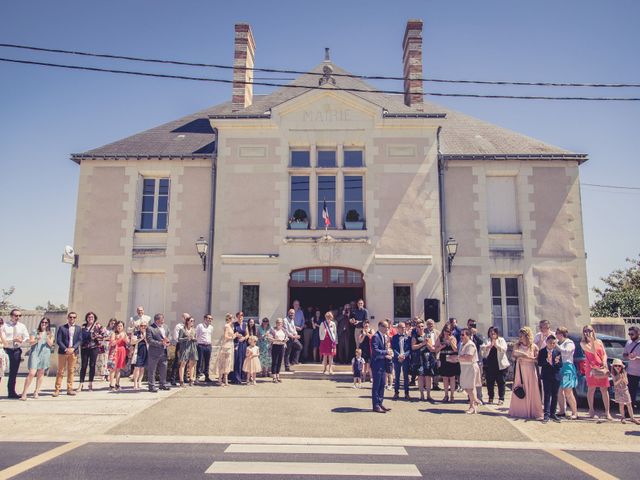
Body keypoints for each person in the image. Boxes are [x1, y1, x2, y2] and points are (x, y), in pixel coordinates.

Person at [509, 326, 543, 420]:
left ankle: (534, 411)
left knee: (532, 389)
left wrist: (526, 357)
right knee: (520, 387)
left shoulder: (533, 346)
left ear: (527, 336)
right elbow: (514, 354)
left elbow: (536, 359)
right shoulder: (517, 346)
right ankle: (520, 411)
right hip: (520, 370)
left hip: (531, 370)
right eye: (519, 336)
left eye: (522, 336)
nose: (520, 338)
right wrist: (523, 355)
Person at [581, 325, 613, 420]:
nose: (588, 332)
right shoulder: (583, 343)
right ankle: (591, 410)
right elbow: (592, 350)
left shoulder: (599, 341)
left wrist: (604, 361)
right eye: (585, 330)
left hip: (601, 367)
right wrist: (591, 340)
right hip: (591, 368)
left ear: (593, 330)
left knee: (604, 389)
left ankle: (607, 412)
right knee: (591, 389)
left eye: (589, 330)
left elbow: (604, 353)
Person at [20, 317, 54, 400]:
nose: (44, 324)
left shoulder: (50, 333)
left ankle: (36, 392)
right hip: (35, 353)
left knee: (41, 373)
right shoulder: (35, 331)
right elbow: (31, 343)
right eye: (43, 322)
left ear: (48, 324)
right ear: (40, 323)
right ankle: (24, 393)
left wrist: (46, 337)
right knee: (32, 373)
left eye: (46, 323)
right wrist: (36, 339)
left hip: (45, 354)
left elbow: (51, 344)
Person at [2, 309, 30, 399]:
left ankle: (11, 392)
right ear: (11, 316)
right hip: (6, 350)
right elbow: (3, 339)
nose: (18, 317)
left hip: (16, 350)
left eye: (19, 316)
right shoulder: (4, 326)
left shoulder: (22, 326)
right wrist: (13, 340)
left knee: (13, 372)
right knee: (1, 371)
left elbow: (27, 337)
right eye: (16, 315)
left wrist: (22, 340)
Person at [53, 311, 83, 397]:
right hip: (63, 352)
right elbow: (59, 340)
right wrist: (66, 349)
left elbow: (80, 340)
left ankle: (70, 389)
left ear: (75, 318)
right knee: (60, 371)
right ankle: (57, 389)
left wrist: (73, 348)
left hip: (73, 352)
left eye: (74, 317)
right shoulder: (62, 328)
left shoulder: (78, 328)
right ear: (68, 318)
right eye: (70, 317)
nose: (72, 319)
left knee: (71, 371)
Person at [481, 327, 510, 405]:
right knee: (490, 382)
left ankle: (501, 398)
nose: (492, 334)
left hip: (500, 365)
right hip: (490, 365)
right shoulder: (487, 341)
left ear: (497, 334)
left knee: (501, 382)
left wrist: (496, 345)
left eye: (493, 333)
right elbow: (482, 350)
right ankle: (491, 397)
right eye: (490, 333)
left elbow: (504, 349)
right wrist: (488, 347)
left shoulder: (501, 340)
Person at [538, 334, 563, 423]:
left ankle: (553, 413)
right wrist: (546, 361)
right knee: (547, 395)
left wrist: (556, 362)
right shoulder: (542, 351)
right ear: (546, 342)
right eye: (550, 343)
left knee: (555, 395)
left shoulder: (557, 352)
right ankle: (546, 414)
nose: (551, 345)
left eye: (553, 343)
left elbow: (561, 365)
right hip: (546, 376)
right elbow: (539, 363)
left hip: (556, 376)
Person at [79, 311, 106, 392]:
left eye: (92, 317)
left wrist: (98, 336)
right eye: (89, 317)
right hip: (84, 348)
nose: (90, 318)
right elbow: (79, 336)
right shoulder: (83, 326)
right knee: (83, 366)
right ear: (86, 318)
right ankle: (81, 384)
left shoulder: (98, 326)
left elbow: (105, 334)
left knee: (92, 365)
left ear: (94, 318)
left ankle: (90, 384)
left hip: (94, 348)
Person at [555, 327, 578, 419]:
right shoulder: (559, 343)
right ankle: (561, 410)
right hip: (560, 367)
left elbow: (567, 352)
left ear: (561, 334)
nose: (556, 335)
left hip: (567, 367)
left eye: (557, 333)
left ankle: (575, 412)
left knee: (568, 391)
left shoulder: (569, 342)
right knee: (559, 391)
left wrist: (556, 346)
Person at [411, 320, 437, 402]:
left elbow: (430, 347)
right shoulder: (415, 336)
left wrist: (428, 344)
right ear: (416, 328)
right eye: (419, 326)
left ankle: (428, 395)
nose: (421, 328)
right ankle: (422, 395)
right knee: (421, 376)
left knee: (428, 377)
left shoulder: (427, 335)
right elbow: (413, 347)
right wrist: (422, 344)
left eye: (422, 326)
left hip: (427, 358)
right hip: (419, 358)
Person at [146, 313, 171, 392]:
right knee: (152, 370)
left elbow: (168, 335)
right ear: (156, 320)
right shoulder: (150, 328)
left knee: (164, 368)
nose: (163, 321)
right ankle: (151, 386)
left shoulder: (166, 327)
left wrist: (168, 341)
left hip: (164, 351)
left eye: (163, 320)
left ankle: (163, 384)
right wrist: (161, 343)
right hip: (154, 352)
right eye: (161, 320)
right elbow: (150, 340)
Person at [371, 320, 393, 413]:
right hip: (377, 364)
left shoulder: (384, 336)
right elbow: (375, 350)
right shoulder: (376, 336)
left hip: (382, 363)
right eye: (385, 327)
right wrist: (386, 352)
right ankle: (375, 405)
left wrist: (387, 354)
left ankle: (380, 403)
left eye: (387, 327)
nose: (387, 329)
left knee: (382, 384)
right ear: (380, 326)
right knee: (376, 385)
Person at [459, 328, 482, 414]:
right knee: (465, 387)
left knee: (471, 387)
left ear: (468, 336)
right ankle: (476, 400)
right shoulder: (462, 344)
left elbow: (468, 357)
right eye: (460, 335)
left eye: (463, 335)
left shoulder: (470, 345)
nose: (461, 336)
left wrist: (457, 358)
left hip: (471, 367)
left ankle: (472, 406)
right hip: (465, 367)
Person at [611, 358, 640, 424]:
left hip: (625, 390)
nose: (617, 367)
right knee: (621, 405)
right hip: (618, 390)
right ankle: (623, 417)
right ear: (613, 367)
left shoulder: (624, 372)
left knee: (629, 404)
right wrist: (620, 379)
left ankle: (632, 418)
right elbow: (615, 384)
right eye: (616, 366)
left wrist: (623, 378)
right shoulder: (613, 374)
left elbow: (626, 382)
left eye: (619, 366)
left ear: (621, 367)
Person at [436, 324, 460, 402]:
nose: (447, 333)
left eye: (449, 331)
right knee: (445, 378)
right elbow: (436, 349)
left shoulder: (453, 338)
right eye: (446, 331)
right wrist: (441, 346)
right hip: (443, 357)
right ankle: (446, 395)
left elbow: (456, 350)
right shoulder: (440, 338)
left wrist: (450, 341)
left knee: (452, 378)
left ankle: (452, 396)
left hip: (451, 358)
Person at [214, 313, 235, 386]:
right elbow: (226, 336)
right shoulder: (227, 326)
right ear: (229, 319)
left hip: (229, 345)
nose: (233, 319)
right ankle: (220, 380)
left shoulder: (231, 326)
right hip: (226, 346)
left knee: (227, 363)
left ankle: (225, 380)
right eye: (232, 318)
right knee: (223, 363)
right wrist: (233, 337)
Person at [108, 320, 129, 391]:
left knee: (119, 369)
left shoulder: (124, 333)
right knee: (112, 369)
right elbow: (112, 343)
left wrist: (126, 339)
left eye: (121, 326)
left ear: (123, 327)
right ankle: (111, 385)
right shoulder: (113, 333)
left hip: (122, 351)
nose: (119, 327)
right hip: (114, 351)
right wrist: (119, 338)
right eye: (118, 326)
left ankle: (117, 384)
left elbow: (128, 343)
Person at [392, 322, 411, 400]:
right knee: (397, 376)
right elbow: (393, 348)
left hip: (405, 359)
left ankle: (407, 393)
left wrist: (404, 355)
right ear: (398, 328)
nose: (403, 329)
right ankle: (396, 392)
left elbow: (410, 349)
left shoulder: (408, 338)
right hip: (397, 359)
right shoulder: (394, 337)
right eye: (401, 327)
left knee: (406, 376)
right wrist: (398, 355)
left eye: (404, 327)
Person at [467, 319, 484, 404]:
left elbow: (481, 342)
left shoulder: (478, 335)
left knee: (478, 380)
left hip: (477, 360)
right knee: (469, 379)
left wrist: (475, 334)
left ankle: (479, 397)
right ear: (467, 325)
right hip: (468, 361)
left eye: (474, 325)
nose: (472, 327)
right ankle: (470, 397)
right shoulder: (465, 335)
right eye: (470, 325)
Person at [623, 326, 640, 411]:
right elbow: (624, 354)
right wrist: (628, 356)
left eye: (632, 334)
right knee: (631, 393)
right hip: (631, 372)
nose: (630, 336)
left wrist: (636, 358)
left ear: (638, 333)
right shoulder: (628, 343)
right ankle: (630, 411)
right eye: (629, 334)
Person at [178, 316, 198, 387]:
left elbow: (196, 339)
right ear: (187, 321)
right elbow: (179, 339)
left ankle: (191, 380)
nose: (192, 322)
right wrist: (186, 338)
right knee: (183, 364)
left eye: (193, 321)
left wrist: (194, 339)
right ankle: (181, 381)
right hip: (185, 348)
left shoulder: (194, 330)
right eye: (191, 321)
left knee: (192, 364)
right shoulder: (182, 330)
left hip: (192, 347)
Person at [170, 312, 189, 385]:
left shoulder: (188, 326)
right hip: (180, 345)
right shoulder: (179, 326)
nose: (187, 319)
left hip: (187, 346)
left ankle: (184, 378)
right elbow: (176, 337)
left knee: (185, 362)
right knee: (177, 362)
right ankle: (173, 379)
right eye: (186, 318)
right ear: (183, 318)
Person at [230, 312, 249, 384]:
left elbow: (247, 334)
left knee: (242, 359)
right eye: (239, 316)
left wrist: (244, 338)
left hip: (243, 344)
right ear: (237, 317)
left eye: (241, 316)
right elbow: (231, 334)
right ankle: (236, 378)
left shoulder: (245, 324)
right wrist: (236, 335)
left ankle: (241, 377)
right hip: (236, 344)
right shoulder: (234, 324)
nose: (240, 317)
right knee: (237, 360)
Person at [130, 319, 149, 390]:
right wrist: (141, 338)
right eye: (142, 326)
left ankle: (139, 381)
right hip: (138, 351)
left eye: (145, 326)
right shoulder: (136, 333)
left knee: (142, 367)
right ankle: (135, 383)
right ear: (139, 326)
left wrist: (145, 337)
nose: (143, 327)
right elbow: (132, 342)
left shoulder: (148, 333)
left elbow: (149, 342)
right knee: (137, 367)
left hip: (146, 351)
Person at [267, 318, 287, 383]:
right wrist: (276, 340)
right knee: (274, 362)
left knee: (279, 361)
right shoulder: (273, 329)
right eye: (278, 322)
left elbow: (286, 337)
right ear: (276, 323)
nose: (279, 323)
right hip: (275, 346)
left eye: (280, 322)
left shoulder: (283, 330)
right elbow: (269, 338)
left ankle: (278, 376)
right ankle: (274, 377)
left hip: (282, 346)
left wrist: (286, 339)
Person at [196, 314, 214, 383]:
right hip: (201, 346)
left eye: (211, 319)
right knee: (200, 361)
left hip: (208, 346)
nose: (210, 320)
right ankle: (197, 376)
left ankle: (207, 376)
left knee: (207, 362)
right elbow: (196, 335)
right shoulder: (200, 326)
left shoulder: (211, 327)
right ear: (205, 319)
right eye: (209, 318)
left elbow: (210, 335)